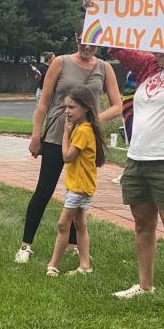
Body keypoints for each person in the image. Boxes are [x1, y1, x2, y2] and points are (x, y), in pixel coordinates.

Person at [86, 0, 164, 319]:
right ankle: (144, 285)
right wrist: (96, 10)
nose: (155, 51)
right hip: (139, 159)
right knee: (142, 224)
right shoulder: (148, 71)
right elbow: (118, 46)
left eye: (163, 46)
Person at [16, 32, 121, 263]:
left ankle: (74, 245)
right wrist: (35, 135)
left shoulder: (104, 68)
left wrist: (94, 120)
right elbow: (43, 102)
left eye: (94, 42)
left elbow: (117, 106)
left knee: (78, 191)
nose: (88, 46)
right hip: (56, 135)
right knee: (44, 189)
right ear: (77, 39)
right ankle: (26, 245)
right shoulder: (60, 62)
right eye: (84, 41)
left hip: (84, 140)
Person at [45, 85, 106, 278]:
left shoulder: (82, 131)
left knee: (63, 224)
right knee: (80, 223)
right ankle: (85, 265)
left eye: (71, 107)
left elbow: (67, 156)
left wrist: (65, 133)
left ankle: (53, 265)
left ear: (85, 108)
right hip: (83, 186)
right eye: (66, 107)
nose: (67, 112)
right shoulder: (85, 129)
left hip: (79, 188)